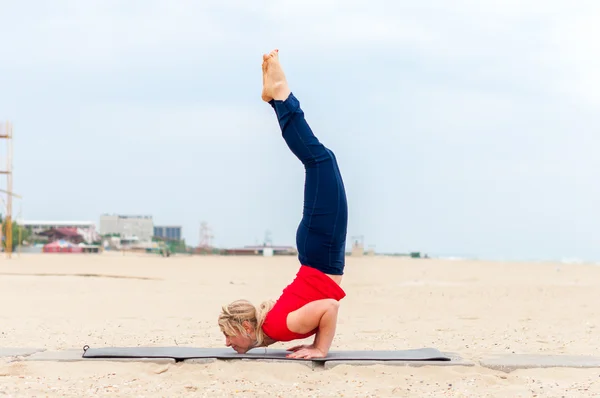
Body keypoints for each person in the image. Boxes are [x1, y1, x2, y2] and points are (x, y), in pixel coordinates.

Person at [218, 49, 348, 360]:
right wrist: (315, 344)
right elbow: (324, 308)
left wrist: (319, 348)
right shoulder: (276, 327)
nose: (226, 343)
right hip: (316, 252)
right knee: (320, 160)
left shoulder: (278, 327)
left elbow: (328, 307)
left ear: (248, 328)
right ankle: (278, 98)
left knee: (320, 160)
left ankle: (280, 96)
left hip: (321, 251)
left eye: (228, 334)